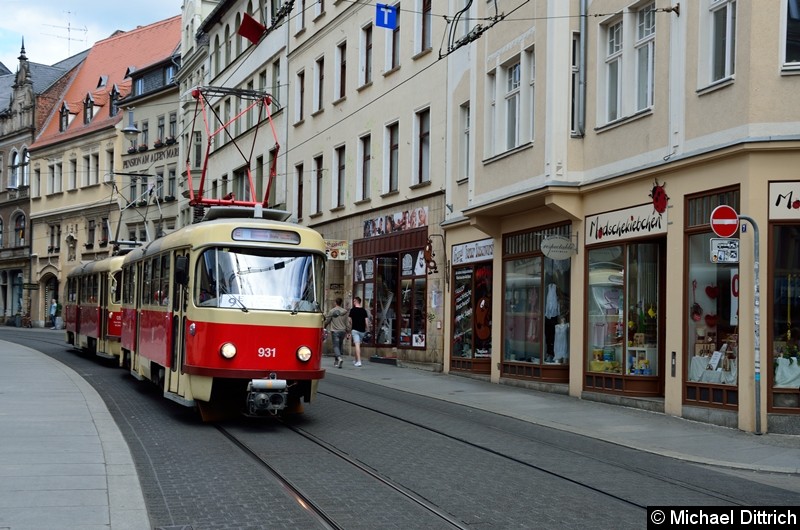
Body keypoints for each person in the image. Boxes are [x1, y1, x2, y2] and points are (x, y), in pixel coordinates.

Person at [323, 297, 349, 368]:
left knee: (336, 346)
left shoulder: (332, 311)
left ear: (335, 302)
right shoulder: (345, 311)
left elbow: (327, 321)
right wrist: (348, 331)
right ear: (341, 303)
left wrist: (324, 326)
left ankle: (339, 358)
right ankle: (336, 362)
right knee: (339, 346)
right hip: (343, 331)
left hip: (335, 331)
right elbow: (347, 323)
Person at [346, 296, 370, 367]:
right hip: (362, 330)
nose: (353, 302)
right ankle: (356, 360)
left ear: (356, 301)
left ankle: (359, 361)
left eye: (354, 301)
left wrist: (352, 323)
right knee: (358, 345)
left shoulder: (352, 310)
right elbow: (366, 321)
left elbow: (349, 320)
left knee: (357, 345)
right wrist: (367, 329)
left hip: (355, 330)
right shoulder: (363, 310)